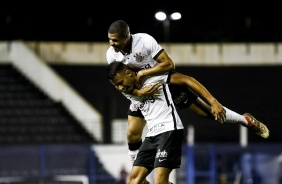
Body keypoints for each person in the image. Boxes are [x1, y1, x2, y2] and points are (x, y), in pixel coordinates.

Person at [106, 19, 269, 160]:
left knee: (208, 113)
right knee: (132, 134)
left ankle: (246, 120)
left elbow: (169, 65)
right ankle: (138, 176)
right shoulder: (111, 55)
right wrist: (139, 93)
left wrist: (143, 73)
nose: (111, 44)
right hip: (141, 93)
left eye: (115, 40)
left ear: (126, 36)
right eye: (110, 40)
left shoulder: (144, 41)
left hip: (165, 83)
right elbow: (120, 83)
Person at [107, 61, 187, 184]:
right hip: (152, 135)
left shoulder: (153, 77)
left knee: (159, 181)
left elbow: (182, 76)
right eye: (116, 85)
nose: (120, 88)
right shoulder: (127, 90)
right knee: (132, 181)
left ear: (128, 73)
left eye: (120, 83)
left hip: (169, 130)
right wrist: (140, 93)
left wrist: (213, 102)